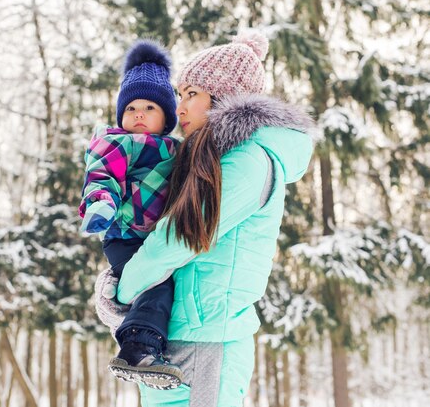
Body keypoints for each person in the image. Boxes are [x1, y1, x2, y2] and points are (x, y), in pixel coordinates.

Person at [96, 29, 319, 406]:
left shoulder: (248, 162)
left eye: (191, 94)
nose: (178, 107)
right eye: (180, 95)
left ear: (223, 97)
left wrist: (123, 291)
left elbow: (178, 237)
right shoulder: (200, 160)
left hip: (208, 342)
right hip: (168, 341)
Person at [79, 40, 184, 389]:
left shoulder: (176, 150)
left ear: (167, 116)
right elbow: (101, 176)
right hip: (123, 234)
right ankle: (138, 349)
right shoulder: (115, 143)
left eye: (150, 107)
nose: (139, 114)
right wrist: (102, 204)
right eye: (132, 107)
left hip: (158, 235)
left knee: (162, 282)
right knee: (156, 283)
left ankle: (140, 341)